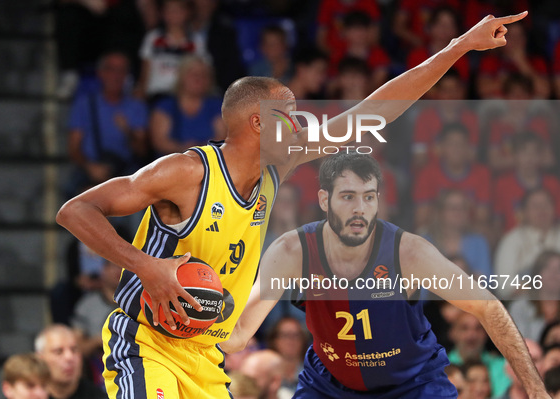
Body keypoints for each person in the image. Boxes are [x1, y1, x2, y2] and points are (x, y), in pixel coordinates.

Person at [56, 12, 530, 399]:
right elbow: (74, 211)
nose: (302, 123)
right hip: (147, 343)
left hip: (204, 354)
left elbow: (369, 114)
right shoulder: (185, 173)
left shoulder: (275, 169)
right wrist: (147, 268)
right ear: (259, 123)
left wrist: (457, 48)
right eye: (291, 114)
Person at [222, 152, 548, 398]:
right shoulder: (294, 252)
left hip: (412, 383)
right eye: (348, 197)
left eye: (368, 197)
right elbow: (238, 333)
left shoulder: (408, 253)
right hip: (330, 384)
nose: (359, 209)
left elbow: (487, 306)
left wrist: (536, 391)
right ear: (324, 199)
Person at [67, 51, 148, 193]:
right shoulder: (85, 105)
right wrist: (90, 167)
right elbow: (74, 148)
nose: (116, 76)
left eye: (121, 71)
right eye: (111, 69)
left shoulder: (136, 107)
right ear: (101, 73)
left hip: (125, 172)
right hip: (91, 169)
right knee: (81, 200)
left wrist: (127, 131)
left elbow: (142, 150)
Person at [149, 55, 225, 156]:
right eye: (193, 74)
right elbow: (160, 142)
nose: (199, 78)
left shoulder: (217, 106)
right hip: (170, 165)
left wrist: (195, 151)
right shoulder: (165, 106)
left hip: (209, 165)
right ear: (181, 76)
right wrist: (188, 149)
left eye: (204, 75)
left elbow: (223, 139)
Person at [35, 325, 105, 399]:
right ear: (40, 358)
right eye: (58, 351)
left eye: (74, 350)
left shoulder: (99, 396)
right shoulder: (29, 396)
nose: (69, 357)